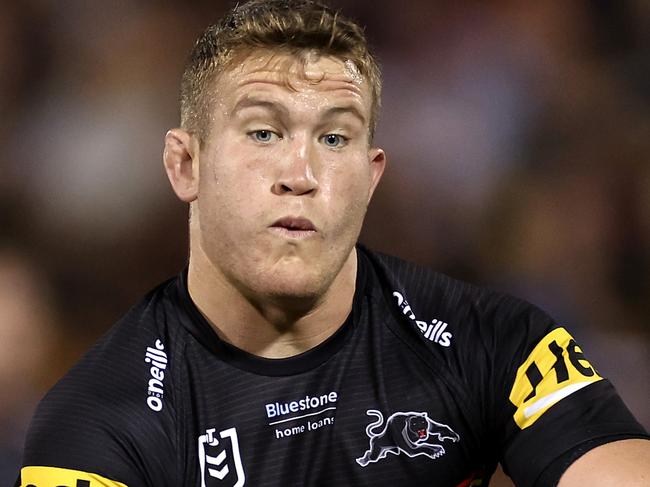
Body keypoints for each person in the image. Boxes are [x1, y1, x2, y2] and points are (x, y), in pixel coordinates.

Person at [17, 1, 649, 486]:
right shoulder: (99, 422)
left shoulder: (495, 341)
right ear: (185, 166)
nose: (301, 173)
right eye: (263, 132)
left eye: (335, 138)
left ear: (372, 176)